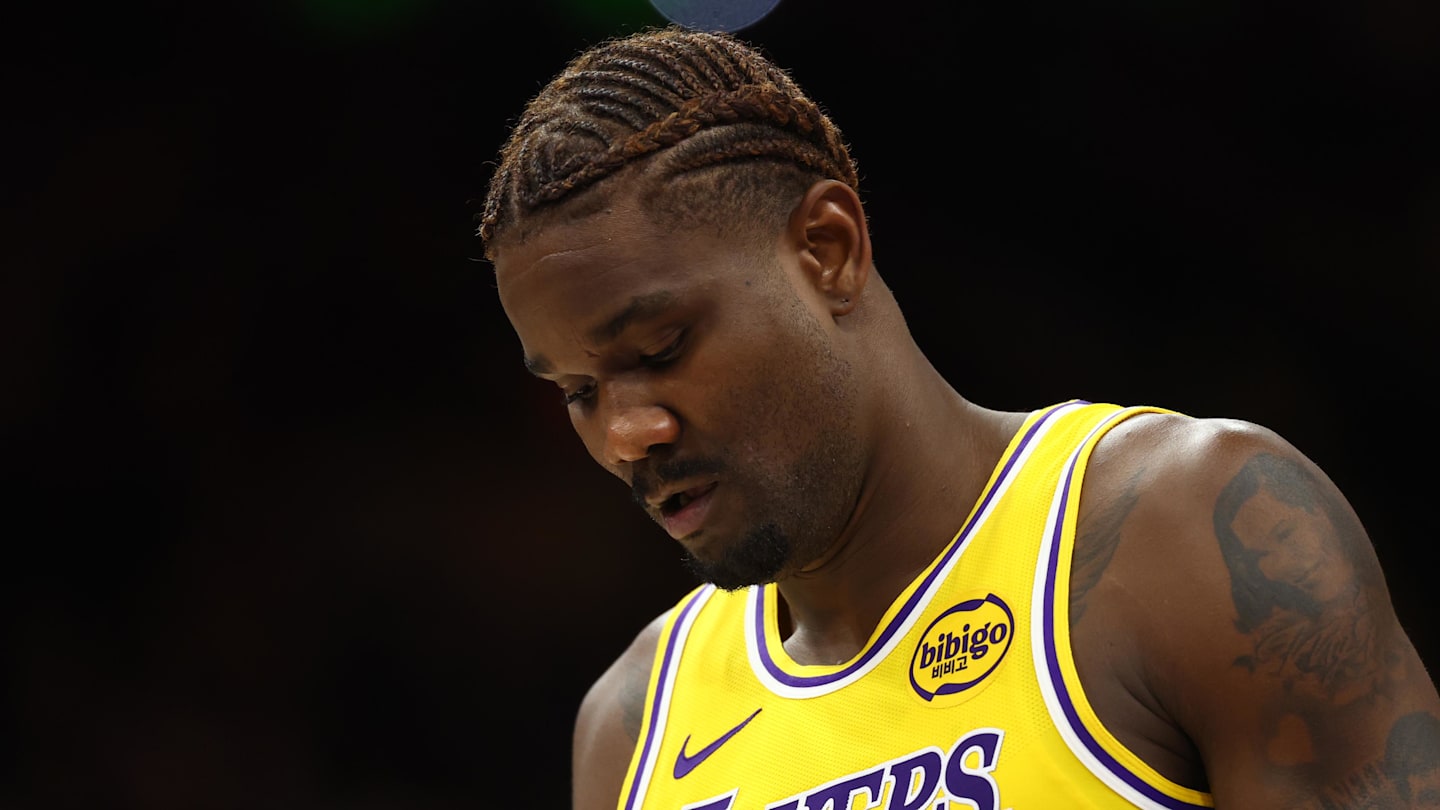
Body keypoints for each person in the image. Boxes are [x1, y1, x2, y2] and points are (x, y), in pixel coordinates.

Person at [475, 24, 1440, 809]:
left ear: (826, 250)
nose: (623, 434)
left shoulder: (1188, 533)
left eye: (660, 351)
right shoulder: (631, 730)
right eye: (578, 391)